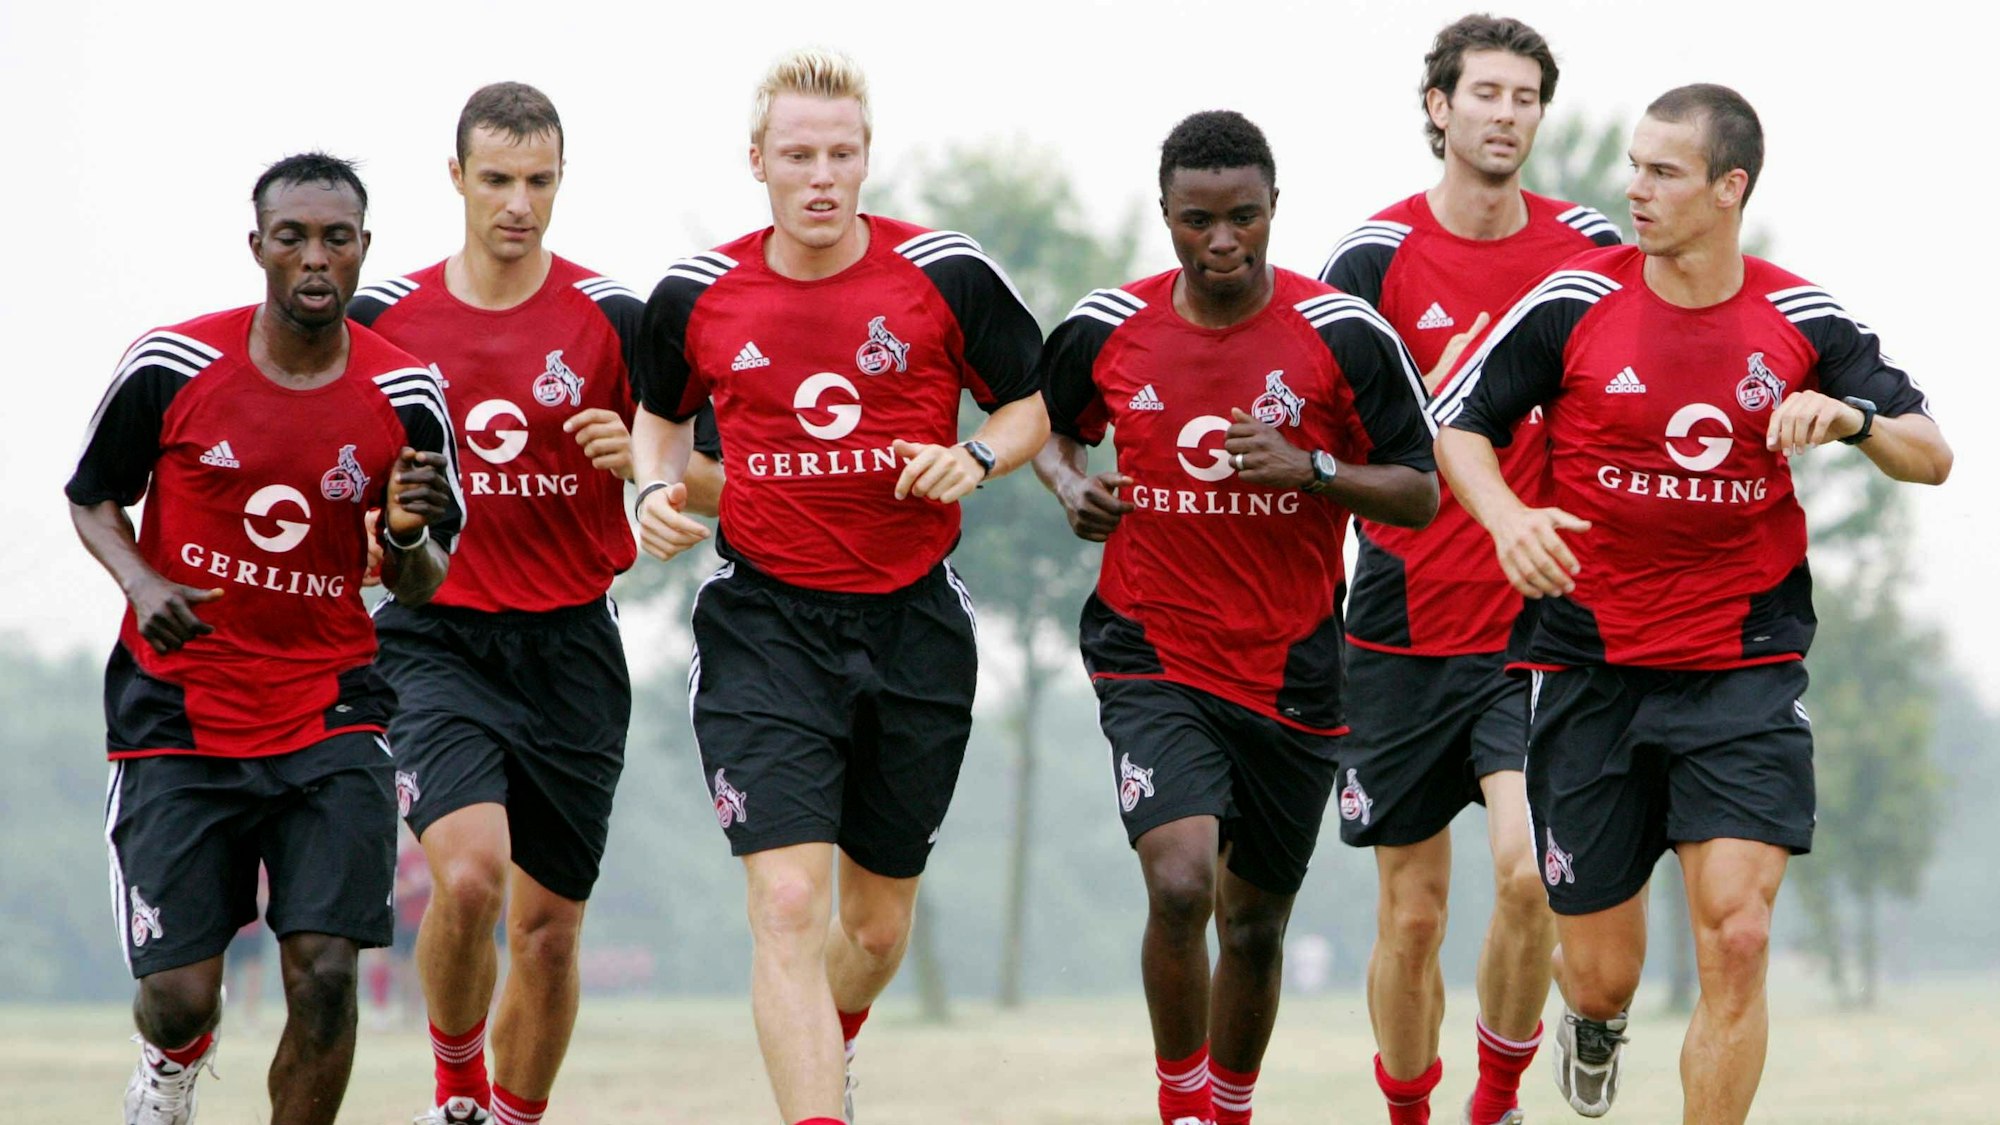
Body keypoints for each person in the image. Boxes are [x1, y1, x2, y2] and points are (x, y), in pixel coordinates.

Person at [1430, 84, 1950, 1123]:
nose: (1634, 190)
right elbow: (1455, 424)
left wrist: (1848, 419)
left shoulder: (1800, 318)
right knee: (1598, 975)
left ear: (1728, 188)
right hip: (1586, 668)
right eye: (1631, 166)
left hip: (1741, 668)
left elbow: (1928, 454)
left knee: (1739, 936)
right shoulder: (1573, 303)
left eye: (1661, 173)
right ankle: (1592, 1025)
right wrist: (1504, 520)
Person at [628, 47, 1048, 1125]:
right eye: (798, 155)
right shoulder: (698, 292)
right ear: (757, 161)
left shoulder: (943, 275)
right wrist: (650, 494)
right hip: (764, 624)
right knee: (784, 901)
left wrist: (977, 459)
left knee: (869, 931)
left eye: (841, 154)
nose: (821, 175)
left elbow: (1033, 399)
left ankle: (835, 1044)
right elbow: (662, 414)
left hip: (913, 622)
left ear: (867, 159)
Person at [1037, 110, 1439, 1125]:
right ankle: (1179, 1106)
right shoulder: (1105, 327)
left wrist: (1310, 469)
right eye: (1196, 221)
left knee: (1252, 927)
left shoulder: (1342, 335)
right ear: (1165, 215)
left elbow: (1419, 490)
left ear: (1272, 210)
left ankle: (1227, 1106)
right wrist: (1065, 483)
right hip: (1149, 653)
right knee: (1177, 886)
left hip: (1293, 671)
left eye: (1243, 219)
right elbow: (1041, 428)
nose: (1222, 242)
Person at [344, 82, 714, 1125]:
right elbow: (333, 466)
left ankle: (512, 1116)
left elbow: (714, 469)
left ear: (561, 181)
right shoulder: (382, 320)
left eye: (539, 181)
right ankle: (455, 1092)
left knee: (548, 931)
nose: (518, 201)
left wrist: (639, 470)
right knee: (466, 881)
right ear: (455, 178)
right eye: (497, 179)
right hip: (432, 640)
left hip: (571, 650)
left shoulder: (617, 319)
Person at [67, 152, 459, 1125]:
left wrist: (406, 536)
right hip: (179, 713)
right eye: (293, 238)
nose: (314, 258)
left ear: (364, 250)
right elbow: (91, 499)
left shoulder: (408, 395)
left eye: (336, 239)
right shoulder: (172, 366)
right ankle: (170, 1067)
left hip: (327, 710)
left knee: (325, 974)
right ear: (258, 248)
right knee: (179, 997)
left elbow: (424, 577)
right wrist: (142, 578)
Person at [1315, 16, 1621, 1124]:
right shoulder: (1367, 260)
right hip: (1397, 623)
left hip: (1534, 625)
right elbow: (1313, 439)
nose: (1505, 114)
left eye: (1524, 96)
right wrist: (1412, 404)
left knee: (1527, 875)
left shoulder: (1590, 250)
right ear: (1438, 107)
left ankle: (1494, 1105)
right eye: (1483, 93)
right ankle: (1408, 1110)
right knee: (1409, 918)